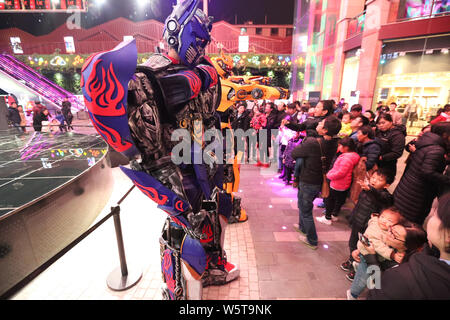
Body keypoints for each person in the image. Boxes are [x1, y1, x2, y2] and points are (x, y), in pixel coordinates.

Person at [367, 194, 450, 299]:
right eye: (391, 229)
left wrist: (370, 257)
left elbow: (377, 285)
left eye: (436, 215)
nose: (388, 233)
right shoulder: (430, 254)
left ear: (405, 246)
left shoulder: (403, 273)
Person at [291, 116, 342, 249]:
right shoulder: (334, 142)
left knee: (306, 209)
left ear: (325, 130)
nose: (318, 124)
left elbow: (295, 153)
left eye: (321, 123)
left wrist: (305, 141)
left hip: (308, 180)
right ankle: (302, 227)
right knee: (303, 205)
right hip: (319, 180)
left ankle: (312, 239)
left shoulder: (313, 142)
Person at [350, 219, 428, 299]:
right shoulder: (394, 246)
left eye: (395, 235)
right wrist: (360, 251)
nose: (388, 234)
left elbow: (378, 282)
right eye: (391, 229)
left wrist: (370, 255)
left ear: (407, 246)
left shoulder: (402, 267)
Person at [341, 168, 394, 280]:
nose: (374, 180)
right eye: (373, 177)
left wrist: (370, 189)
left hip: (367, 228)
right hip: (357, 222)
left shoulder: (386, 196)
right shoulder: (367, 190)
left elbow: (379, 196)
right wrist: (352, 218)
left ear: (386, 185)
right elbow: (359, 205)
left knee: (363, 249)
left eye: (379, 180)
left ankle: (357, 269)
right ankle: (352, 260)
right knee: (352, 244)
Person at [393, 122, 450, 225]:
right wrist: (446, 179)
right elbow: (427, 171)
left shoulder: (426, 142)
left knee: (399, 219)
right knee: (407, 225)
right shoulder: (437, 149)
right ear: (445, 135)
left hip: (408, 187)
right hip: (417, 194)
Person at [347, 207, 406, 299]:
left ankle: (358, 266)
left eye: (389, 220)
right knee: (362, 280)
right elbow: (378, 246)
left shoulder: (387, 229)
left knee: (371, 275)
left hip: (373, 256)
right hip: (367, 256)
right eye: (382, 217)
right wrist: (392, 255)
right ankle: (352, 294)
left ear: (397, 225)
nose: (384, 221)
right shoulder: (375, 229)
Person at [316, 137, 360, 225]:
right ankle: (334, 215)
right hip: (344, 183)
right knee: (339, 200)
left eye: (340, 145)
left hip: (338, 183)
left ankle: (327, 218)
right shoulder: (353, 156)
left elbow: (341, 172)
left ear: (346, 147)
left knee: (330, 200)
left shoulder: (346, 159)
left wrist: (329, 176)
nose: (338, 147)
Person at [374, 113, 406, 178]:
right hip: (375, 163)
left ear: (391, 122)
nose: (381, 125)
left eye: (383, 123)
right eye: (379, 124)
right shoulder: (379, 132)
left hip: (387, 165)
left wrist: (381, 157)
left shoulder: (398, 135)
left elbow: (397, 153)